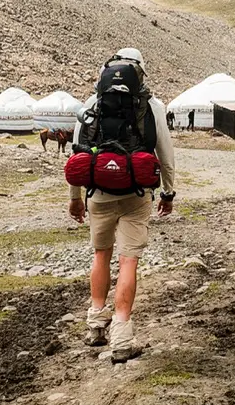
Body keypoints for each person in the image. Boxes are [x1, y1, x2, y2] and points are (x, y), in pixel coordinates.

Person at [68, 47, 177, 363]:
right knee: (128, 261)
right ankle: (121, 337)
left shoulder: (93, 104)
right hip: (136, 195)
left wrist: (75, 199)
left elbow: (78, 156)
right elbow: (166, 156)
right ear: (141, 72)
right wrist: (168, 193)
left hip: (99, 193)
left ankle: (95, 323)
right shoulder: (151, 105)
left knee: (101, 256)